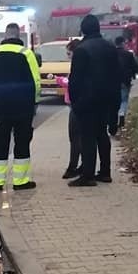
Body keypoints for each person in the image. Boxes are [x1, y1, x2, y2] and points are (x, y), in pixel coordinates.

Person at [0, 22, 41, 191]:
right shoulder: (26, 53)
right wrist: (34, 102)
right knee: (22, 142)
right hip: (23, 108)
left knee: (1, 143)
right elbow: (36, 82)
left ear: (5, 35)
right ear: (18, 35)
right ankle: (20, 181)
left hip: (1, 107)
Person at [67, 15, 121, 187]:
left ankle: (87, 175)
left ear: (83, 29)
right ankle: (105, 172)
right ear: (98, 28)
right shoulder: (110, 47)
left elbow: (75, 80)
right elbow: (116, 76)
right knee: (102, 134)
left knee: (87, 136)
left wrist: (76, 103)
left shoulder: (82, 49)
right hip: (107, 98)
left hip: (87, 100)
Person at [62, 39, 82, 179]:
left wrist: (62, 82)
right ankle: (81, 165)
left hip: (77, 106)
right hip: (80, 105)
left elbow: (73, 85)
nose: (68, 56)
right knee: (79, 137)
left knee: (75, 137)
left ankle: (73, 166)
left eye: (69, 53)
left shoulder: (78, 66)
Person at [114, 35, 138, 131]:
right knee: (124, 100)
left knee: (114, 101)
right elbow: (135, 67)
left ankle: (113, 120)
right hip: (125, 81)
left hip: (113, 82)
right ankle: (121, 115)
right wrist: (133, 74)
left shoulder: (111, 54)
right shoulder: (128, 54)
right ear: (122, 43)